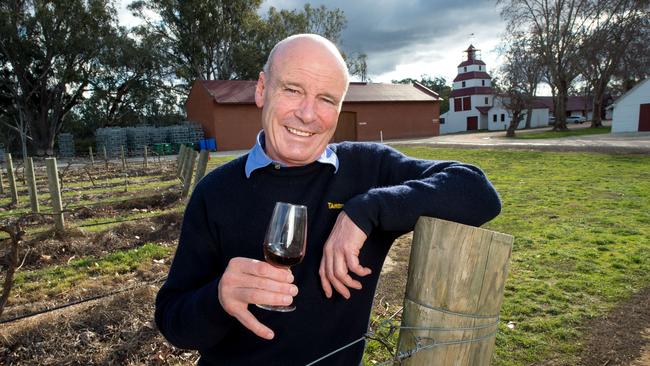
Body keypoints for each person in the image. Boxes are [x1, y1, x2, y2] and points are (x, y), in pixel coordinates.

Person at [155, 34, 501, 365]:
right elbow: (174, 322)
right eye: (293, 90)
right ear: (262, 90)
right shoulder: (215, 192)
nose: (307, 114)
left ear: (339, 108)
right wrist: (218, 298)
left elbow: (477, 191)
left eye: (326, 99)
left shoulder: (367, 169)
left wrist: (366, 210)